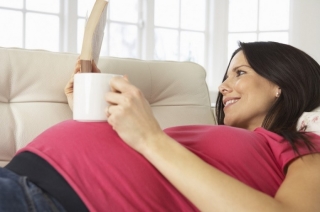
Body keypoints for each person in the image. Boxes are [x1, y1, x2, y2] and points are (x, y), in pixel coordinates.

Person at [1, 41, 320, 212]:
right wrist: (89, 108)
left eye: (240, 73)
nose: (223, 87)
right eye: (225, 76)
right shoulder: (230, 142)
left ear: (281, 81)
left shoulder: (307, 147)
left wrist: (151, 138)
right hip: (25, 176)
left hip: (52, 200)